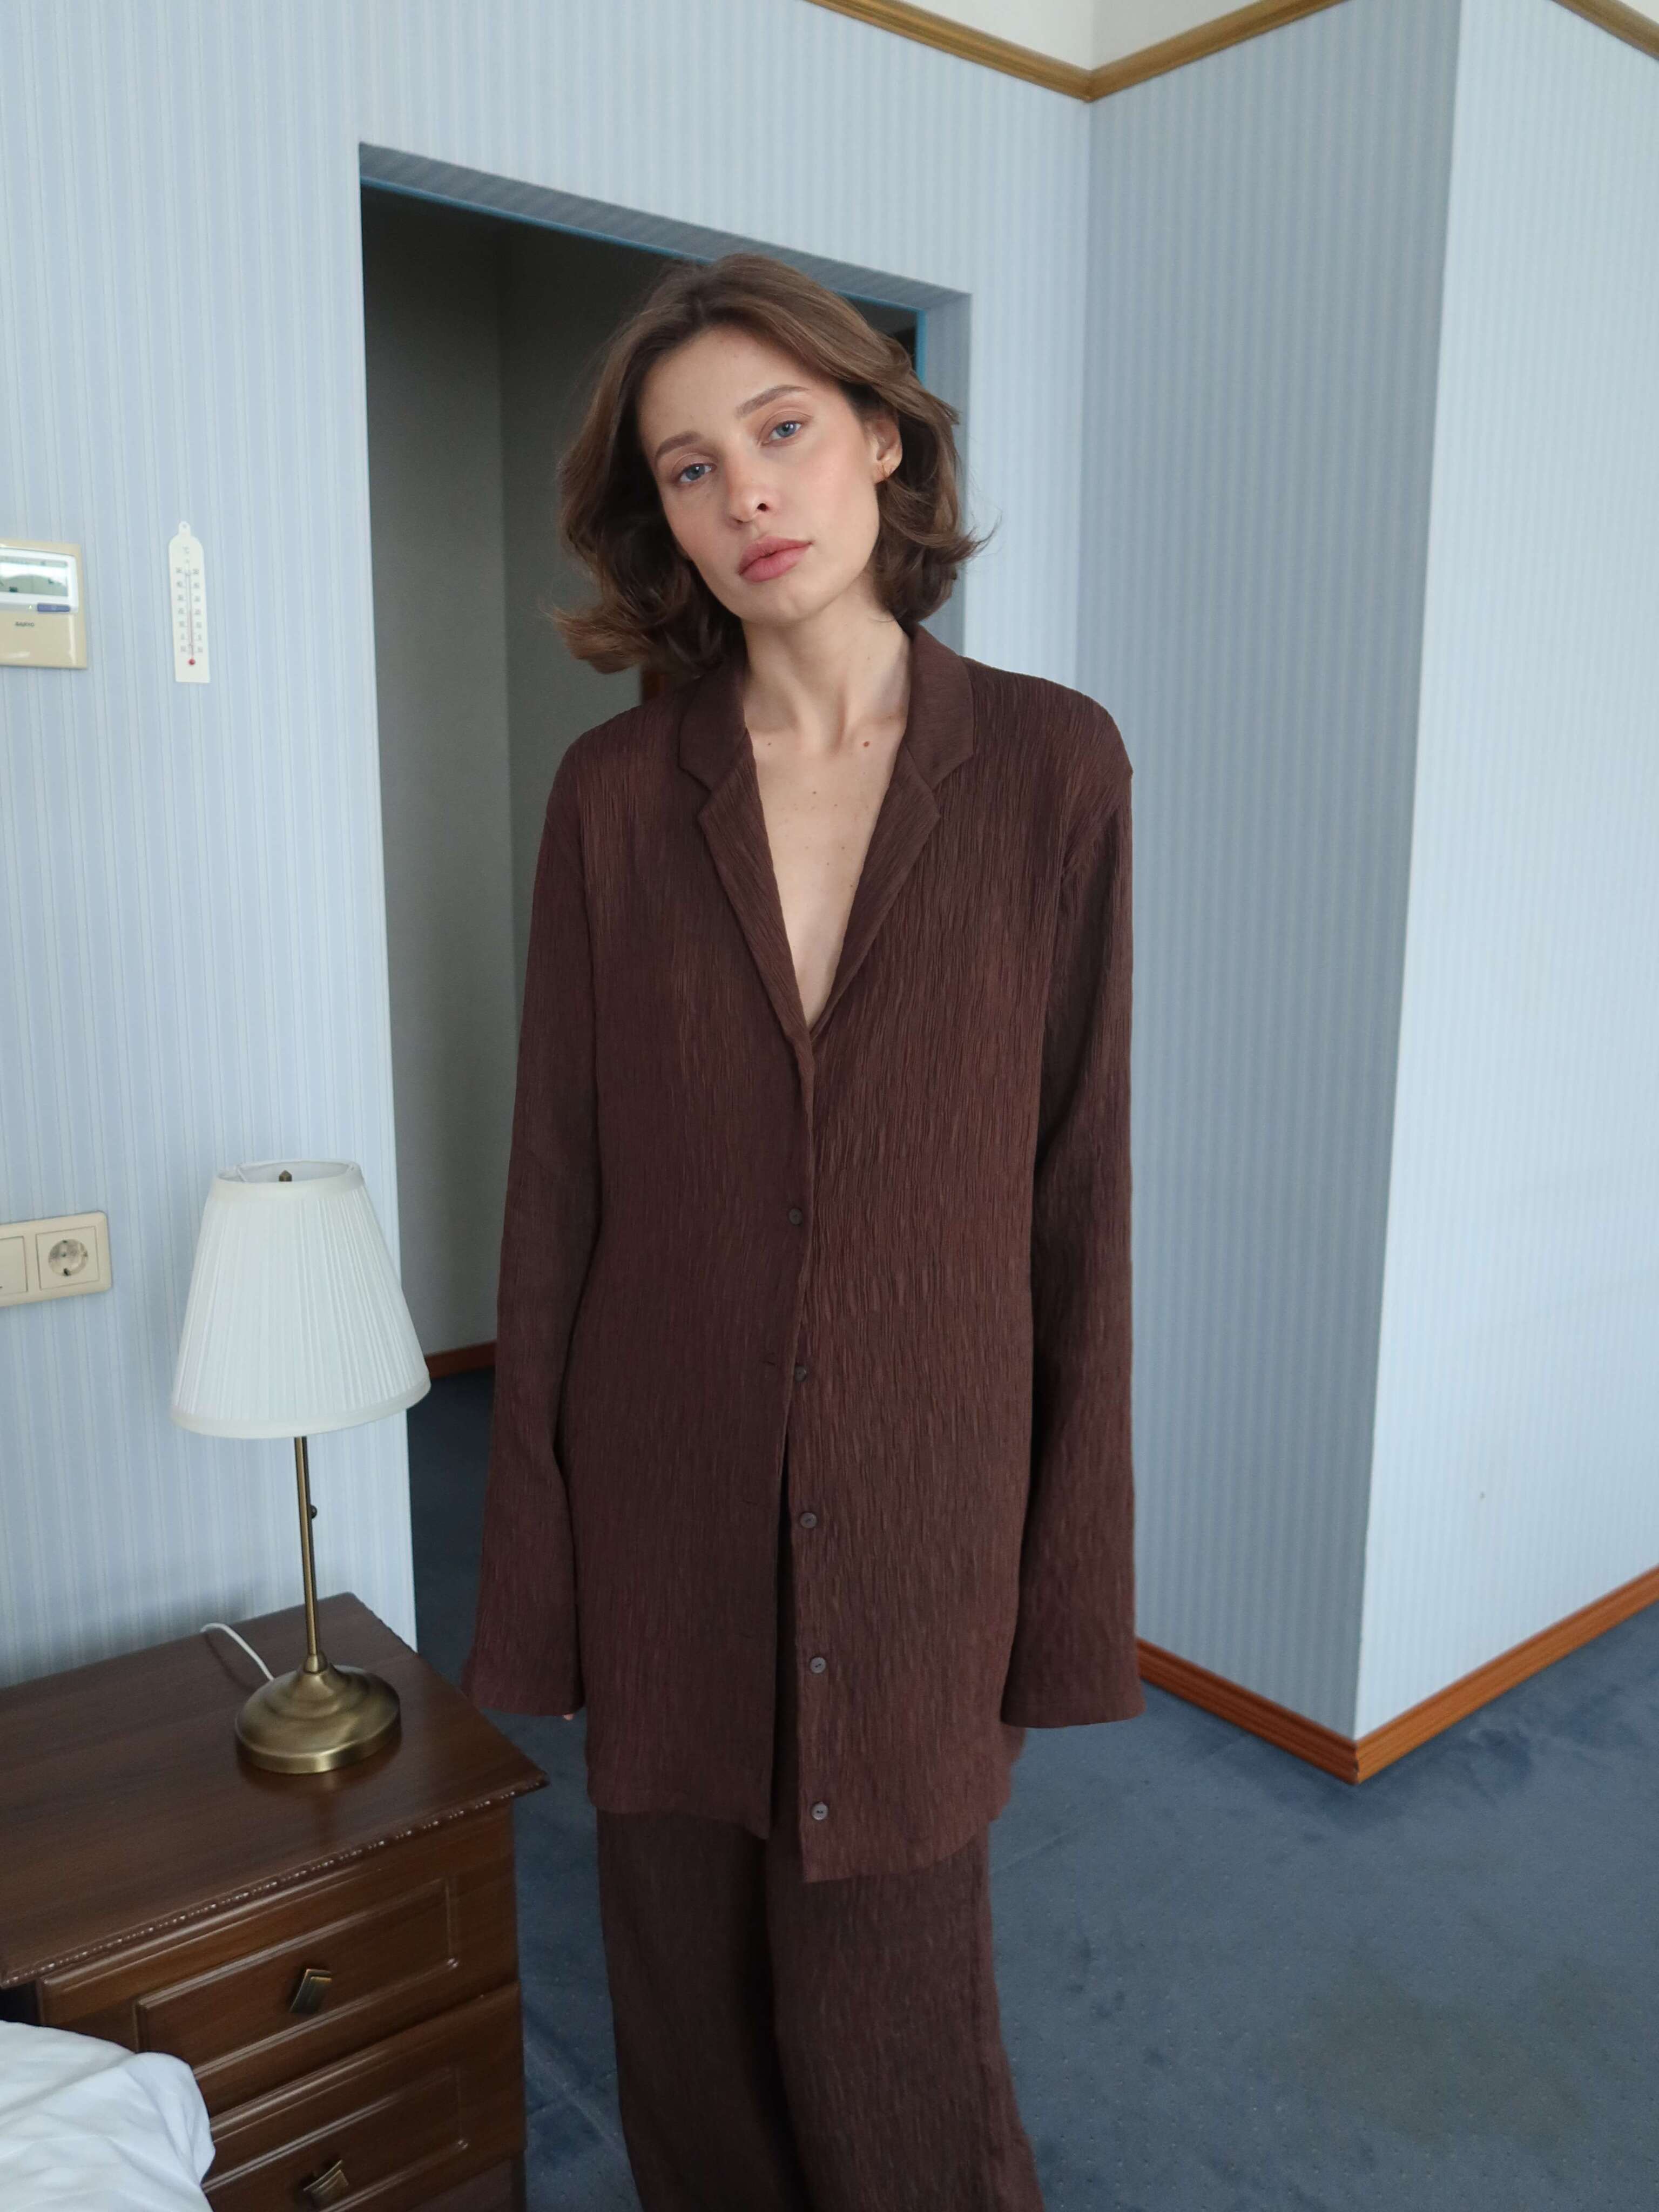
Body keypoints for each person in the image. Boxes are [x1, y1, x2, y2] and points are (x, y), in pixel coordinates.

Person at [461, 250, 1142, 2211]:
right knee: (685, 2017)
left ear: (881, 438)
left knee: (899, 2039)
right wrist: (542, 1576)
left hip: (924, 1500)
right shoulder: (612, 798)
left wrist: (1062, 1590)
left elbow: (1078, 1193)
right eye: (690, 468)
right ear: (662, 520)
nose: (746, 492)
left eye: (781, 430)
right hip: (663, 1494)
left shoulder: (1053, 766)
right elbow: (556, 1192)